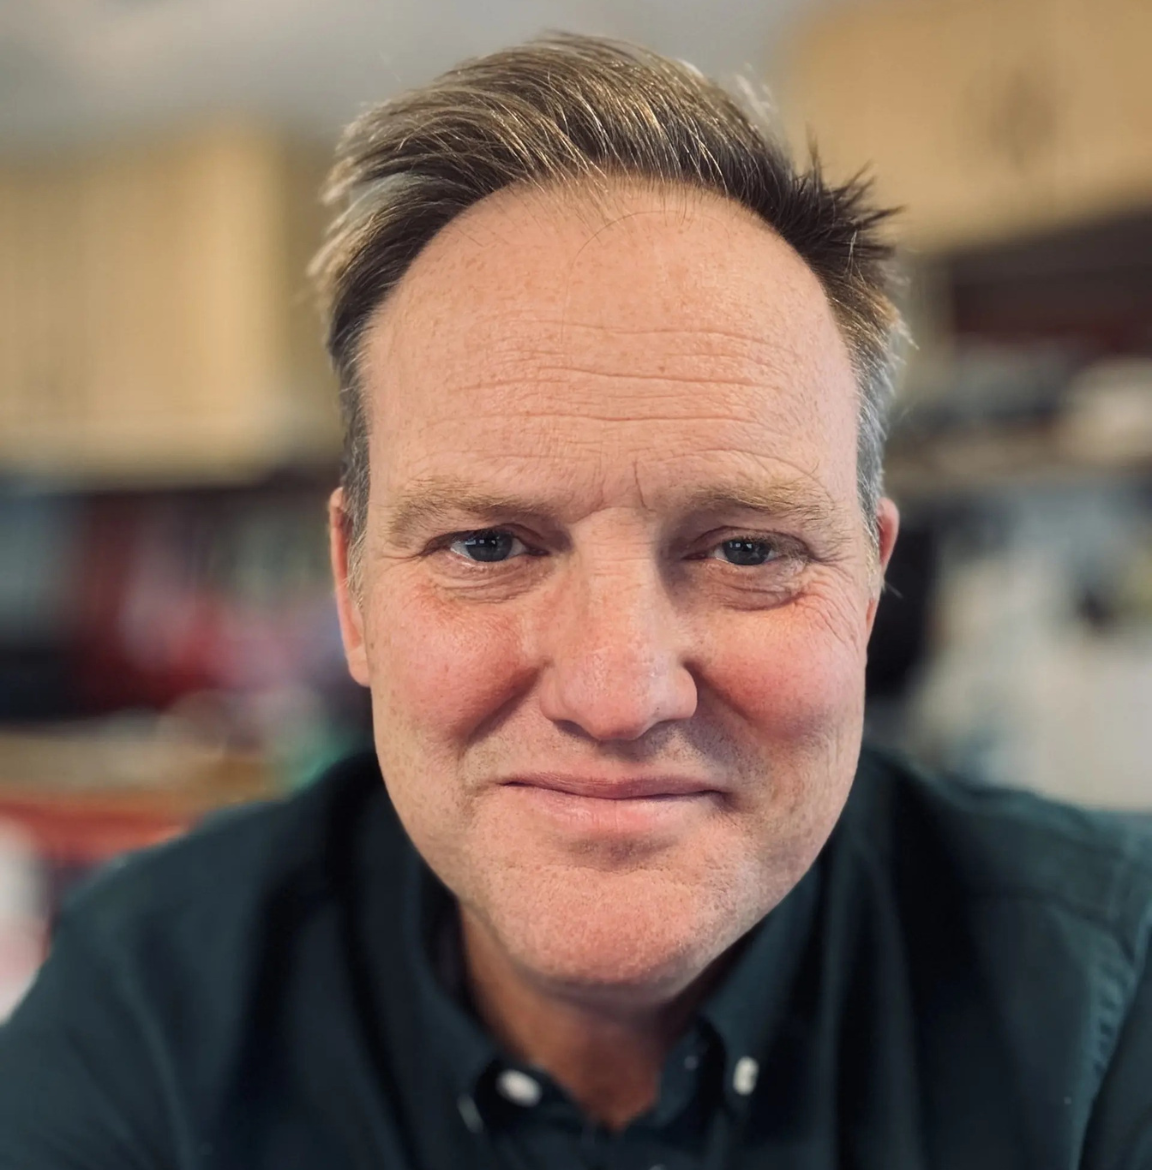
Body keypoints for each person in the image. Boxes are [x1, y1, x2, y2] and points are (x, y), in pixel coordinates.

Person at [1, 33, 1149, 1170]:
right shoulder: (150, 997)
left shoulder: (1112, 1001)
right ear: (352, 589)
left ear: (866, 581)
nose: (619, 694)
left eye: (748, 548)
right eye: (489, 543)